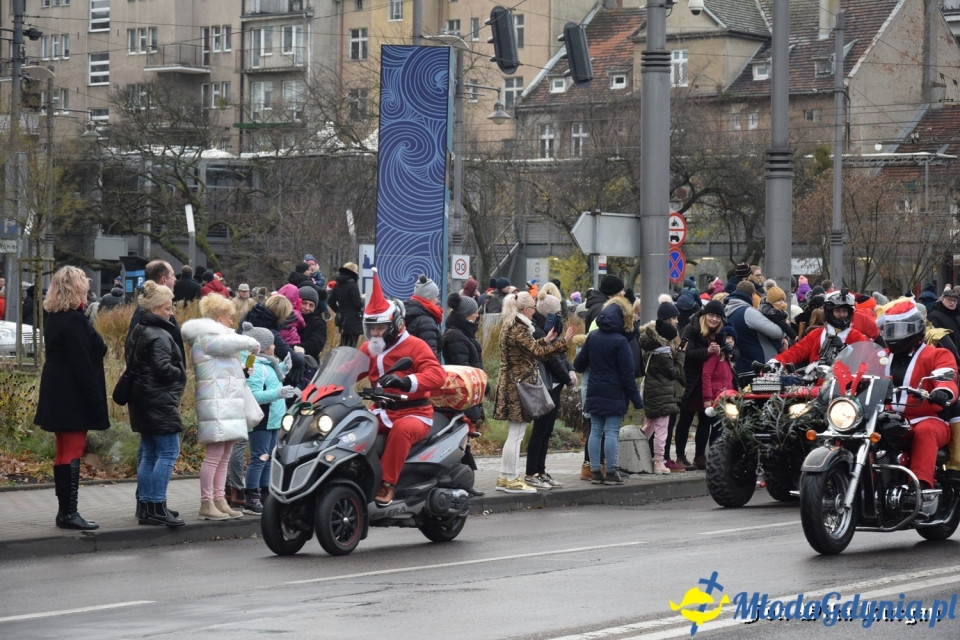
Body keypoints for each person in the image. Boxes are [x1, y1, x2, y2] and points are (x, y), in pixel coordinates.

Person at [358, 269, 448, 506]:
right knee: (352, 427)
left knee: (402, 430)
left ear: (395, 324)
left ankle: (387, 484)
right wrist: (319, 385)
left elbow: (437, 375)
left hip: (414, 412)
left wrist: (408, 382)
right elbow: (349, 370)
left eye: (380, 328)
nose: (375, 333)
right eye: (371, 328)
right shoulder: (369, 347)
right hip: (380, 410)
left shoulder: (415, 345)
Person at [33, 266, 110, 530]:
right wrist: (96, 399)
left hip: (56, 391)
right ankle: (69, 513)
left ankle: (64, 512)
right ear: (76, 290)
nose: (87, 294)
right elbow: (82, 365)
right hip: (73, 394)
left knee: (63, 451)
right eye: (84, 289)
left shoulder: (54, 317)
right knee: (72, 451)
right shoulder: (75, 321)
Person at [181, 294, 261, 521]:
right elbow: (228, 343)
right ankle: (207, 502)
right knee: (215, 455)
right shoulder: (207, 337)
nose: (232, 322)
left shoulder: (213, 338)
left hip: (225, 402)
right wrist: (250, 342)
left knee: (224, 454)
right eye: (229, 317)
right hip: (216, 403)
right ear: (218, 317)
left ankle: (219, 499)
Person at [876, 299, 958, 516]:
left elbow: (948, 376)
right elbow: (857, 374)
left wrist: (944, 391)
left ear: (916, 328)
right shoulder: (880, 357)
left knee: (926, 432)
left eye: (901, 329)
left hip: (926, 418)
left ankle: (921, 488)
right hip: (885, 417)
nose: (895, 334)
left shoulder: (936, 354)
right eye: (890, 329)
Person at [493, 291, 576, 493]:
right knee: (517, 434)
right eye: (531, 308)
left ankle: (505, 477)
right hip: (518, 385)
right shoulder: (519, 329)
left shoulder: (512, 326)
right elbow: (538, 353)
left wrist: (546, 339)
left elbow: (531, 349)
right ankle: (511, 479)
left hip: (513, 383)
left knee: (515, 433)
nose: (533, 311)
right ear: (524, 309)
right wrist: (563, 341)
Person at [127, 260, 184, 521]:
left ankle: (148, 506)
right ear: (155, 308)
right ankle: (157, 504)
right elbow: (163, 367)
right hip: (158, 399)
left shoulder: (140, 328)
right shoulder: (159, 333)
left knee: (149, 452)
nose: (171, 313)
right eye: (167, 308)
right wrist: (180, 373)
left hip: (142, 398)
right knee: (168, 452)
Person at [574, 297, 643, 484]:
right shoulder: (621, 341)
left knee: (596, 430)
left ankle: (595, 472)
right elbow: (627, 374)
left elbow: (579, 365)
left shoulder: (593, 338)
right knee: (611, 432)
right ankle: (611, 472)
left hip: (595, 389)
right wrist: (637, 400)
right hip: (615, 391)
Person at [239, 323, 297, 514]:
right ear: (262, 347)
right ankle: (252, 496)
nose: (274, 347)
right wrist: (279, 393)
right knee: (259, 457)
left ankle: (265, 493)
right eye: (271, 344)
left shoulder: (268, 363)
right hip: (263, 420)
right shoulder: (255, 365)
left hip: (274, 420)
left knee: (268, 457)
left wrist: (284, 368)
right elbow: (255, 395)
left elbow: (272, 378)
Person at [524, 292, 577, 488]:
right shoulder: (539, 332)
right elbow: (551, 358)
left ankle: (541, 470)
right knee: (540, 431)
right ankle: (532, 472)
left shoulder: (549, 330)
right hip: (546, 385)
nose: (560, 317)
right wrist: (567, 378)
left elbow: (560, 355)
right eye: (557, 313)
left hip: (553, 385)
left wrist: (569, 370)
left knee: (546, 431)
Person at [676, 299, 726, 469]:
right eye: (711, 315)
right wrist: (707, 352)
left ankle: (699, 456)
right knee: (686, 419)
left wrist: (727, 351)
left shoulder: (719, 334)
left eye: (718, 316)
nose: (714, 319)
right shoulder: (691, 329)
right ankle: (680, 456)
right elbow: (684, 354)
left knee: (706, 420)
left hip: (709, 384)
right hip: (691, 382)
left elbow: (730, 351)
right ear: (705, 315)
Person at [638, 301, 686, 475]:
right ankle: (658, 460)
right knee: (661, 429)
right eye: (673, 317)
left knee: (649, 426)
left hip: (653, 392)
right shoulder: (662, 351)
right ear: (665, 320)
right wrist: (681, 354)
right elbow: (674, 372)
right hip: (662, 393)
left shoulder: (651, 343)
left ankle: (637, 454)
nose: (676, 321)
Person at [773, 290, 871, 369]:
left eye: (844, 311)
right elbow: (796, 351)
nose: (842, 315)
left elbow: (864, 361)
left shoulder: (857, 336)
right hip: (815, 387)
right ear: (829, 312)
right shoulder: (816, 334)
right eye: (838, 311)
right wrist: (776, 362)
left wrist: (844, 349)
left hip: (843, 388)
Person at [724, 280, 785, 381]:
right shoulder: (748, 312)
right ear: (752, 295)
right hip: (760, 370)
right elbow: (777, 332)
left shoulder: (729, 312)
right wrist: (785, 329)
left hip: (742, 369)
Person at [441, 292, 485, 432]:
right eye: (474, 312)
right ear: (466, 314)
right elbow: (463, 368)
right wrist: (481, 384)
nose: (477, 315)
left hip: (470, 392)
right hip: (466, 394)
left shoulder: (462, 333)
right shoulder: (457, 336)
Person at [404, 275, 443, 359]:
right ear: (428, 297)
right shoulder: (426, 321)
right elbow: (431, 355)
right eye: (435, 296)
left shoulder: (408, 312)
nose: (437, 300)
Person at [329, 261, 363, 346]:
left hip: (342, 319)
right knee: (351, 346)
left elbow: (331, 301)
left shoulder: (337, 284)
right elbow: (357, 304)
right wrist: (363, 300)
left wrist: (339, 311)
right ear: (353, 271)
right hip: (354, 321)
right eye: (357, 271)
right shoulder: (353, 285)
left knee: (343, 344)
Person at [298, 284, 327, 363]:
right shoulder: (286, 318)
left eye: (311, 305)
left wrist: (292, 348)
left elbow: (316, 345)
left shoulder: (318, 323)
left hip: (308, 363)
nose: (307, 308)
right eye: (304, 303)